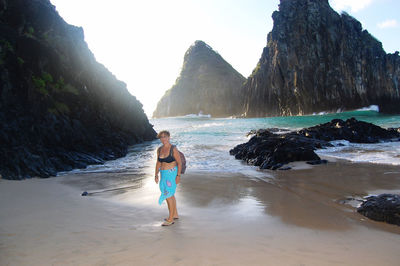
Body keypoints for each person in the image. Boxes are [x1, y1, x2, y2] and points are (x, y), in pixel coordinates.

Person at [155, 130, 182, 226]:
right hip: (163, 174)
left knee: (168, 195)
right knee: (169, 194)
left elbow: (179, 163)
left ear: (169, 137)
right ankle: (175, 214)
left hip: (171, 174)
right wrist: (156, 174)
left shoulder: (173, 149)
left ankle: (170, 219)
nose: (163, 139)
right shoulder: (159, 149)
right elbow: (158, 162)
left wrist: (178, 175)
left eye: (165, 136)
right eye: (161, 137)